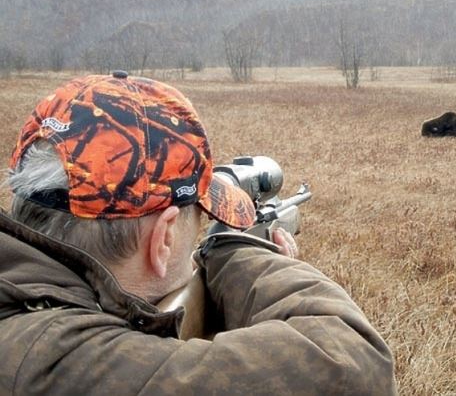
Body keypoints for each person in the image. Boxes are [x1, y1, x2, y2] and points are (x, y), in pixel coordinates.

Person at [0, 72, 395, 395]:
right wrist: (238, 250)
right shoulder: (56, 360)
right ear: (165, 238)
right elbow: (356, 367)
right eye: (198, 225)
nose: (198, 245)